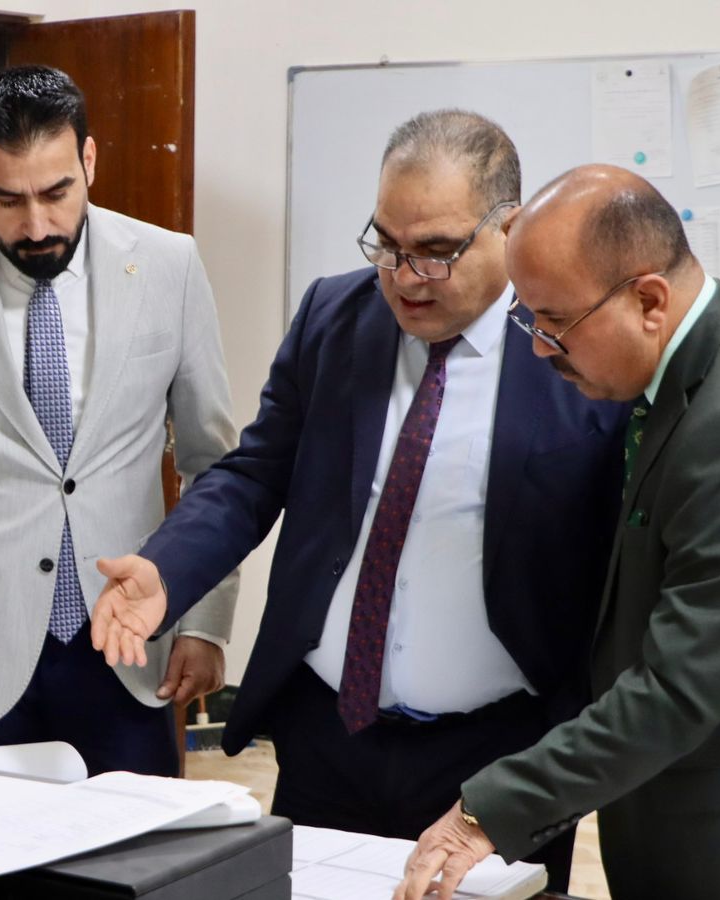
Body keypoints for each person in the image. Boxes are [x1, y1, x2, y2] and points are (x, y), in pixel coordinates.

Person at [91, 110, 628, 887]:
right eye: (387, 244)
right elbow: (253, 475)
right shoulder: (333, 317)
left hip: (499, 754)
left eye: (436, 252)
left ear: (509, 229)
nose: (404, 278)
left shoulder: (575, 349)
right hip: (328, 733)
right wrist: (167, 571)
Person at [398, 164, 720, 900]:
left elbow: (676, 688)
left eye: (555, 321)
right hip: (683, 787)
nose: (540, 347)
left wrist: (483, 816)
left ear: (649, 300)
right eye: (528, 319)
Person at [0, 65, 239, 776]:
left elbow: (213, 464)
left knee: (137, 846)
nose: (36, 225)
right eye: (8, 199)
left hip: (127, 644)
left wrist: (204, 619)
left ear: (89, 160)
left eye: (57, 192)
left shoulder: (170, 266)